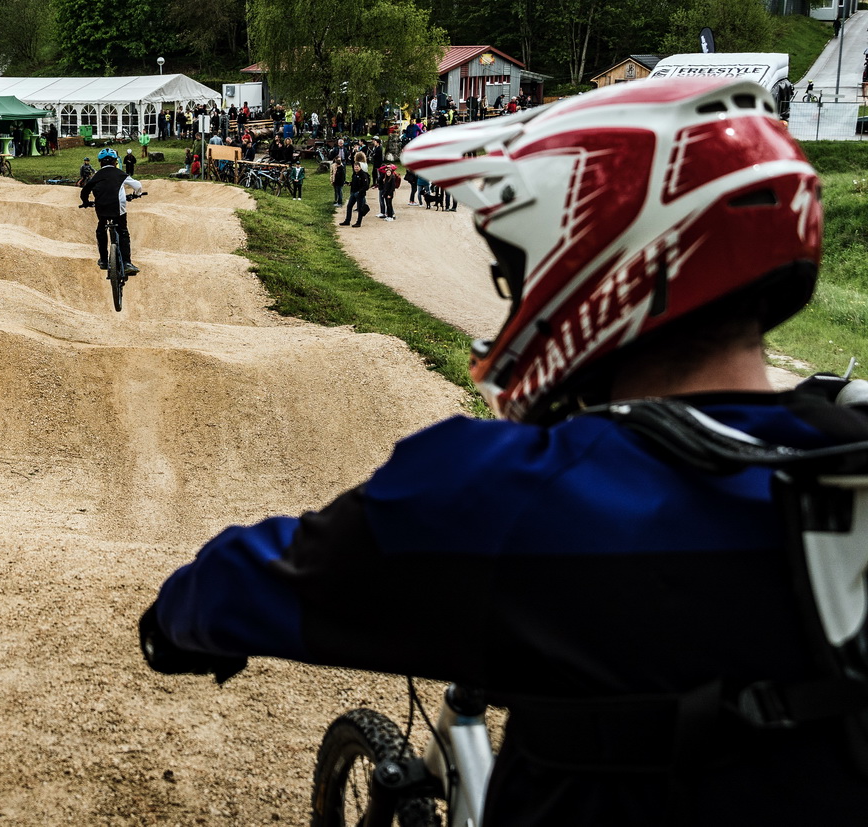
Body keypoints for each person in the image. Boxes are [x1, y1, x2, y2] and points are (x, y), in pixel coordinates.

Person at [139, 76, 868, 825]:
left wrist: (174, 621)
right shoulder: (849, 460)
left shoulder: (521, 489)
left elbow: (264, 577)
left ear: (599, 257)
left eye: (515, 272)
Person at [80, 147, 141, 275]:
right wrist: (136, 194)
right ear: (115, 161)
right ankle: (127, 263)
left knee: (101, 230)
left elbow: (84, 191)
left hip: (101, 208)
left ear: (100, 162)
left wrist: (85, 202)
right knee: (123, 231)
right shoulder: (120, 174)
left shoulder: (97, 176)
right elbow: (137, 185)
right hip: (118, 208)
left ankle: (103, 260)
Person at [339, 158, 369, 227]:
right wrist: (349, 183)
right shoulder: (354, 174)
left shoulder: (363, 175)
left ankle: (358, 222)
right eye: (355, 167)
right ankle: (347, 221)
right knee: (349, 206)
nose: (356, 168)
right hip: (353, 193)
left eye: (357, 167)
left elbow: (366, 186)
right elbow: (354, 183)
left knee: (360, 208)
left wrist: (360, 192)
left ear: (360, 167)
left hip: (360, 194)